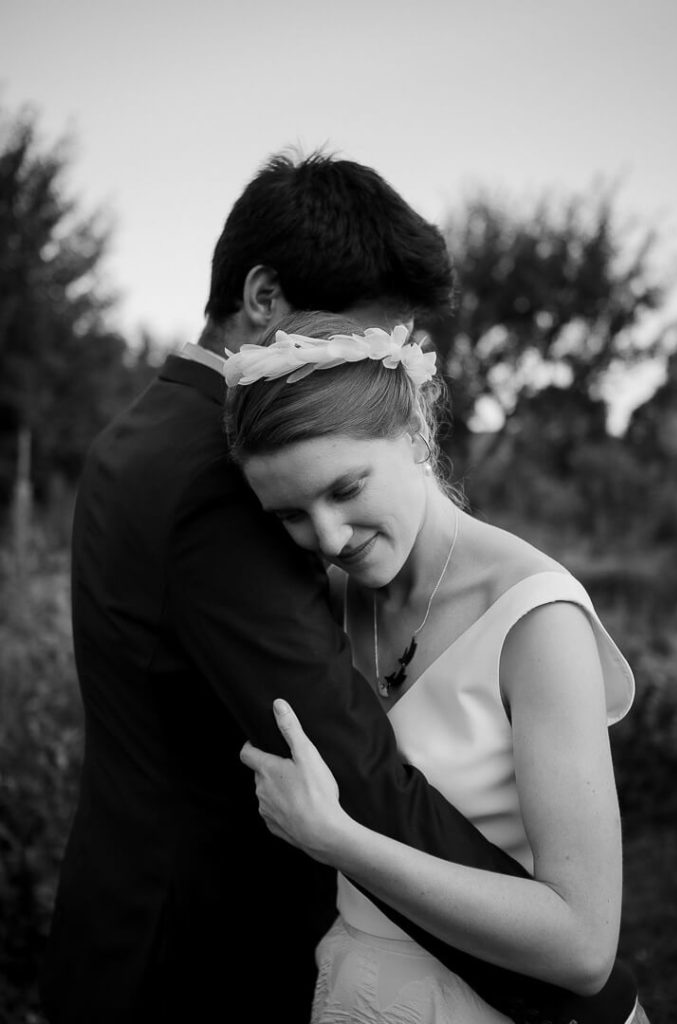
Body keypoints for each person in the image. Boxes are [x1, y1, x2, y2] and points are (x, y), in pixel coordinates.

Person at [40, 151, 638, 1024]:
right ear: (264, 298)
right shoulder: (219, 467)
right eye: (348, 334)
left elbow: (572, 931)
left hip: (143, 927)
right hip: (199, 961)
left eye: (386, 349)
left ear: (411, 423)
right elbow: (351, 765)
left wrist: (588, 993)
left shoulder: (137, 434)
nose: (365, 364)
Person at [228, 311, 648, 1024]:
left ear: (416, 433)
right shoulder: (321, 605)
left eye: (344, 489)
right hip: (353, 987)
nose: (327, 538)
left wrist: (337, 840)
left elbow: (582, 946)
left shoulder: (534, 619)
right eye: (290, 516)